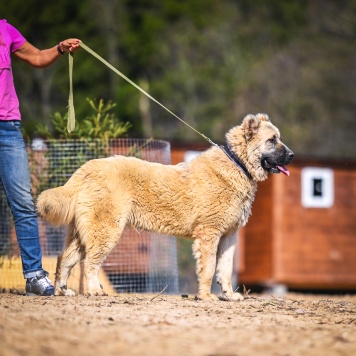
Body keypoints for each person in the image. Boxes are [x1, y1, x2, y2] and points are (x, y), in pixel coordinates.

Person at [0, 19, 80, 296]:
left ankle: (34, 275)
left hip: (7, 128)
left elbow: (35, 56)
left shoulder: (5, 30)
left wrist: (59, 48)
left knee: (23, 202)